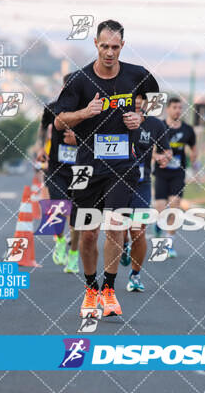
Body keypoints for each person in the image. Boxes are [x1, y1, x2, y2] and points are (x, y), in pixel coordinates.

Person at [54, 20, 159, 317]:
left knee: (116, 225)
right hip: (88, 165)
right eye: (104, 46)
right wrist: (85, 113)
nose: (110, 52)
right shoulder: (79, 80)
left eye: (115, 47)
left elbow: (154, 100)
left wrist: (140, 117)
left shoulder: (138, 75)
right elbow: (59, 121)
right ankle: (91, 289)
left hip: (123, 164)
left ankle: (109, 289)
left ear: (122, 46)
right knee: (88, 234)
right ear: (96, 45)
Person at [120, 95, 171, 292]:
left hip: (141, 183)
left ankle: (135, 275)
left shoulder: (155, 125)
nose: (138, 102)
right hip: (117, 183)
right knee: (119, 230)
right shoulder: (116, 119)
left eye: (142, 98)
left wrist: (163, 157)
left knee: (138, 231)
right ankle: (123, 245)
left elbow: (166, 150)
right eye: (135, 98)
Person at [37, 75, 80, 272]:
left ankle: (73, 255)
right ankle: (60, 241)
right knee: (57, 207)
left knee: (77, 217)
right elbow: (42, 128)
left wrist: (78, 139)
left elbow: (98, 137)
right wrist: (40, 148)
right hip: (56, 167)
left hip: (80, 169)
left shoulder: (86, 112)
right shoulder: (52, 107)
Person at [153, 97, 197, 258]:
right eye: (174, 107)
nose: (178, 110)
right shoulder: (160, 127)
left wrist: (194, 157)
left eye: (180, 107)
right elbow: (152, 150)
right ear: (168, 109)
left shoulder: (188, 130)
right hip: (161, 173)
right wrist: (159, 157)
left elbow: (193, 147)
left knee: (175, 205)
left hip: (178, 173)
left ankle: (169, 242)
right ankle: (158, 223)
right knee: (160, 207)